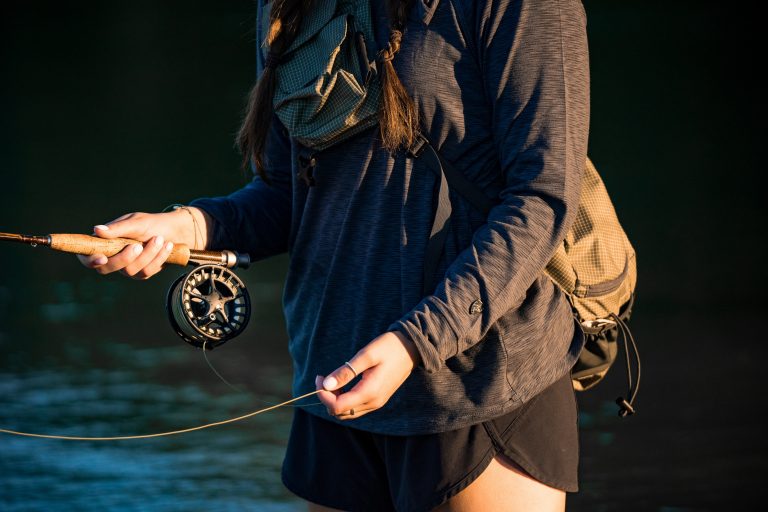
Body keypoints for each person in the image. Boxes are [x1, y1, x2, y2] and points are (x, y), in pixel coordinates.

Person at [79, 0, 590, 510]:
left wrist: (416, 343)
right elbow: (287, 192)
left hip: (482, 384)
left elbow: (543, 199)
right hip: (335, 385)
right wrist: (188, 226)